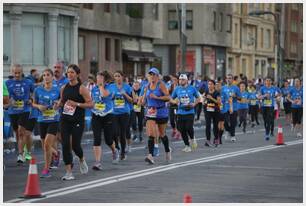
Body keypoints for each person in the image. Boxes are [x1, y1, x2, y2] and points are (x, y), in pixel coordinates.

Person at [54, 64, 92, 180]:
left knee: (75, 145)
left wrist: (77, 104)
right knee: (65, 145)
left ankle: (81, 158)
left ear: (77, 74)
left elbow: (91, 104)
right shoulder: (64, 88)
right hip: (65, 119)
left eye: (72, 72)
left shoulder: (81, 88)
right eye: (68, 73)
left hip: (77, 120)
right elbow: (62, 101)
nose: (69, 75)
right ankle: (69, 172)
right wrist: (58, 105)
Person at [139, 67, 171, 164]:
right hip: (151, 113)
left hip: (161, 112)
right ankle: (150, 156)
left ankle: (167, 151)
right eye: (150, 75)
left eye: (153, 75)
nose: (152, 76)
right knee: (151, 134)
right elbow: (144, 101)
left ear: (157, 76)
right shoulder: (147, 86)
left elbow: (168, 97)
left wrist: (157, 97)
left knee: (162, 135)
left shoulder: (161, 85)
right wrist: (141, 102)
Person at [32, 68, 61, 178]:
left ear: (52, 77)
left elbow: (61, 101)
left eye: (48, 75)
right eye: (44, 75)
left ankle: (46, 169)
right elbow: (33, 104)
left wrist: (57, 104)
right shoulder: (38, 90)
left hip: (53, 120)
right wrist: (39, 106)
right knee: (45, 146)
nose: (46, 77)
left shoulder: (57, 90)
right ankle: (56, 153)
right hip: (41, 120)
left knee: (47, 144)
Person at [90, 71, 119, 170]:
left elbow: (104, 95)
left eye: (101, 78)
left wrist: (101, 86)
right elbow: (93, 100)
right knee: (96, 138)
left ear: (105, 79)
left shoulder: (110, 87)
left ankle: (114, 150)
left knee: (108, 140)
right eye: (98, 78)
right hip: (96, 115)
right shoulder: (94, 89)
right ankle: (97, 162)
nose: (99, 80)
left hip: (108, 115)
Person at [6, 64, 34, 163]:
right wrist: (9, 101)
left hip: (25, 110)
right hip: (13, 111)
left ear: (22, 72)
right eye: (15, 73)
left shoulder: (28, 82)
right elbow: (5, 97)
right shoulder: (7, 83)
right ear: (12, 72)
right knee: (17, 134)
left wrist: (31, 99)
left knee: (21, 131)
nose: (17, 75)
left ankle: (21, 154)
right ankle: (23, 150)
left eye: (19, 73)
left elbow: (34, 93)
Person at [170, 73, 200, 152]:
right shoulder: (177, 89)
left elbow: (198, 98)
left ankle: (192, 138)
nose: (181, 81)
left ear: (186, 80)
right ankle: (187, 146)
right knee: (181, 129)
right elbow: (171, 98)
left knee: (188, 127)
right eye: (180, 79)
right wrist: (175, 102)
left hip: (190, 111)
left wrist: (194, 104)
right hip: (180, 112)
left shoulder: (192, 88)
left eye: (183, 79)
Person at [110, 71, 133, 160]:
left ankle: (123, 152)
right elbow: (107, 98)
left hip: (124, 113)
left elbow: (132, 100)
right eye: (115, 76)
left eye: (118, 76)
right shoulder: (111, 87)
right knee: (115, 133)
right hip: (114, 112)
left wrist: (124, 94)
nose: (117, 78)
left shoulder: (127, 87)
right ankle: (118, 148)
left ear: (122, 77)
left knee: (122, 133)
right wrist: (111, 96)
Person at [51, 61, 69, 168]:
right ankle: (56, 156)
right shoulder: (50, 81)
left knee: (62, 138)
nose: (56, 69)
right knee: (54, 136)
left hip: (64, 113)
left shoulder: (67, 81)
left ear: (63, 70)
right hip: (52, 114)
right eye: (54, 67)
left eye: (58, 67)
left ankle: (68, 154)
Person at [222, 74, 241, 142]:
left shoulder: (236, 88)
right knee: (225, 121)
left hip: (234, 107)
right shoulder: (223, 88)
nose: (228, 80)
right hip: (225, 107)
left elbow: (240, 98)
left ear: (232, 80)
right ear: (225, 79)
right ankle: (227, 130)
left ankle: (233, 136)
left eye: (230, 78)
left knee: (233, 122)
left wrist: (235, 96)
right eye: (227, 78)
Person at [203, 80, 221, 146]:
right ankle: (208, 140)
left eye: (211, 84)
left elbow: (219, 102)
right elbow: (203, 100)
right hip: (207, 110)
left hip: (215, 111)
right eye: (208, 84)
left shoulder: (217, 93)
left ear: (214, 85)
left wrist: (212, 98)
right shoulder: (206, 92)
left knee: (215, 125)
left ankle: (216, 139)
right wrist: (204, 100)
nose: (209, 86)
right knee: (208, 125)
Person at [168, 75, 181, 140]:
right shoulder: (171, 86)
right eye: (173, 80)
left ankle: (178, 132)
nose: (174, 81)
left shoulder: (180, 87)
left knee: (177, 119)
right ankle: (174, 129)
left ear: (178, 80)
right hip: (171, 104)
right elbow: (168, 94)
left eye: (175, 80)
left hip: (178, 105)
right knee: (171, 120)